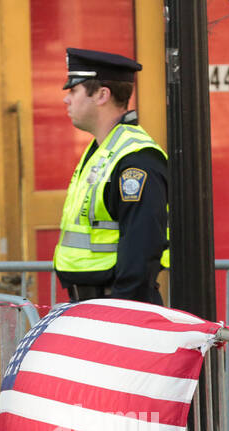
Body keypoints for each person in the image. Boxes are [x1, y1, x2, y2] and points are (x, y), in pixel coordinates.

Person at [53, 48, 169, 306]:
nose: (67, 100)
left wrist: (119, 315)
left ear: (102, 95)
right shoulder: (102, 150)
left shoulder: (135, 160)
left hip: (119, 307)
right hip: (95, 305)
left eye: (73, 90)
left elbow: (142, 249)